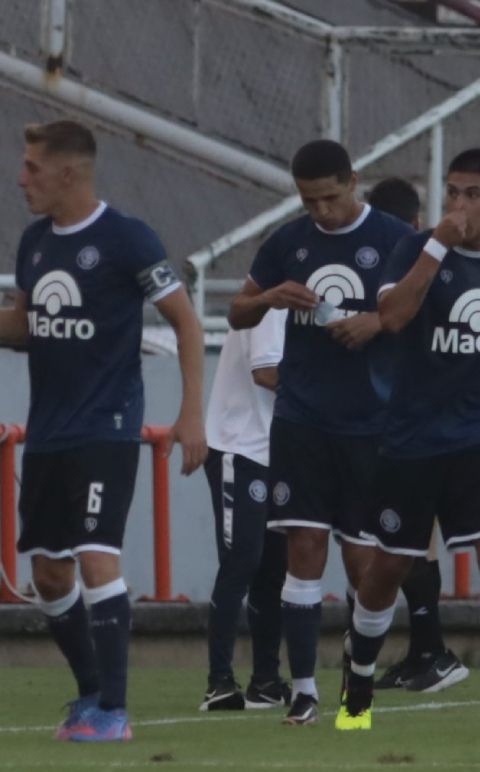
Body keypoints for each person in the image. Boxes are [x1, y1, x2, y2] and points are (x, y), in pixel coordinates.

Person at [336, 149, 480, 731]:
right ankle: (357, 680)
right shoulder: (414, 249)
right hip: (413, 439)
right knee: (388, 568)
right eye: (452, 193)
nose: (459, 206)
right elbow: (396, 315)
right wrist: (436, 245)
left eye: (472, 194)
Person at [0, 120, 206, 741]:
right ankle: (91, 693)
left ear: (69, 172)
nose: (21, 178)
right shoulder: (35, 243)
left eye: (32, 167)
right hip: (50, 432)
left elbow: (188, 323)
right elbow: (27, 326)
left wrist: (191, 412)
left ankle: (115, 712)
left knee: (96, 557)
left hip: (107, 427)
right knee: (49, 576)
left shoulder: (127, 239)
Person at [227, 139, 414, 725]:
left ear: (353, 182)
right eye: (310, 201)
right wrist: (270, 299)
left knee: (365, 563)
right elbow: (236, 312)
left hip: (371, 423)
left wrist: (377, 323)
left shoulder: (393, 239)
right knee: (302, 547)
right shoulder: (288, 241)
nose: (321, 212)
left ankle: (357, 680)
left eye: (330, 198)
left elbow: (421, 312)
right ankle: (303, 688)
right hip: (302, 418)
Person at [365, 177, 468, 694]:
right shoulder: (420, 256)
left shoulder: (408, 258)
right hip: (412, 416)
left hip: (407, 420)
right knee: (406, 539)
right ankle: (427, 650)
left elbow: (396, 319)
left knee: (400, 538)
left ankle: (431, 650)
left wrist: (369, 323)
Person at [199, 308, 291, 711]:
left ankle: (265, 681)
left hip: (273, 449)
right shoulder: (274, 301)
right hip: (240, 445)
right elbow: (266, 372)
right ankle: (218, 680)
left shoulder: (307, 296)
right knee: (242, 560)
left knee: (273, 568)